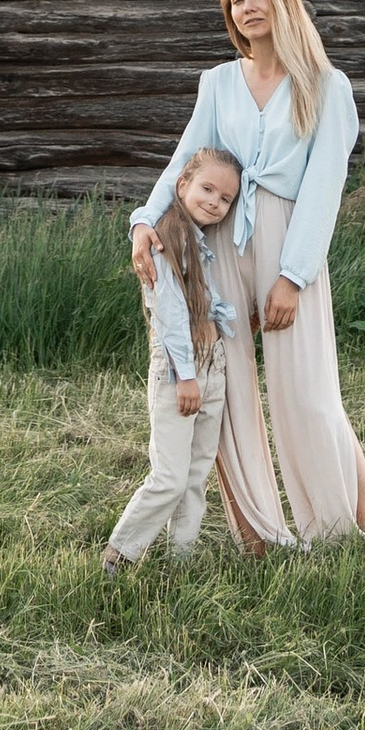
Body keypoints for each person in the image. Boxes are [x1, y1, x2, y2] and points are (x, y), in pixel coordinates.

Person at [130, 0, 365, 549]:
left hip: (289, 241)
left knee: (309, 390)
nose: (246, 7)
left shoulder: (326, 84)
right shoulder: (217, 82)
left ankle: (352, 528)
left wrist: (292, 276)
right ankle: (258, 532)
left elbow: (324, 186)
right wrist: (146, 220)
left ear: (283, 1)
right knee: (228, 385)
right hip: (219, 246)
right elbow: (185, 162)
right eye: (236, 0)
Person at [102, 142, 243, 568]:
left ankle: (179, 559)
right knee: (169, 476)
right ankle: (120, 554)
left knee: (196, 473)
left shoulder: (196, 239)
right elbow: (170, 312)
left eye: (225, 199)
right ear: (181, 183)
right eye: (207, 189)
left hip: (211, 361)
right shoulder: (166, 237)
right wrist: (186, 377)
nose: (215, 203)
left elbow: (201, 299)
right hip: (180, 370)